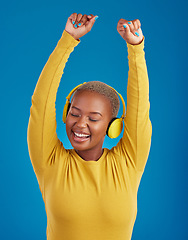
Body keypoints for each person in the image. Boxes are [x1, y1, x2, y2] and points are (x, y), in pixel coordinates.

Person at [27, 12, 152, 240]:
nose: (80, 124)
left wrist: (136, 50)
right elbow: (41, 103)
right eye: (74, 114)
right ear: (66, 114)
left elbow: (139, 110)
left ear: (112, 126)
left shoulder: (129, 162)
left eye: (93, 118)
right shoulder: (50, 162)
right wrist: (68, 40)